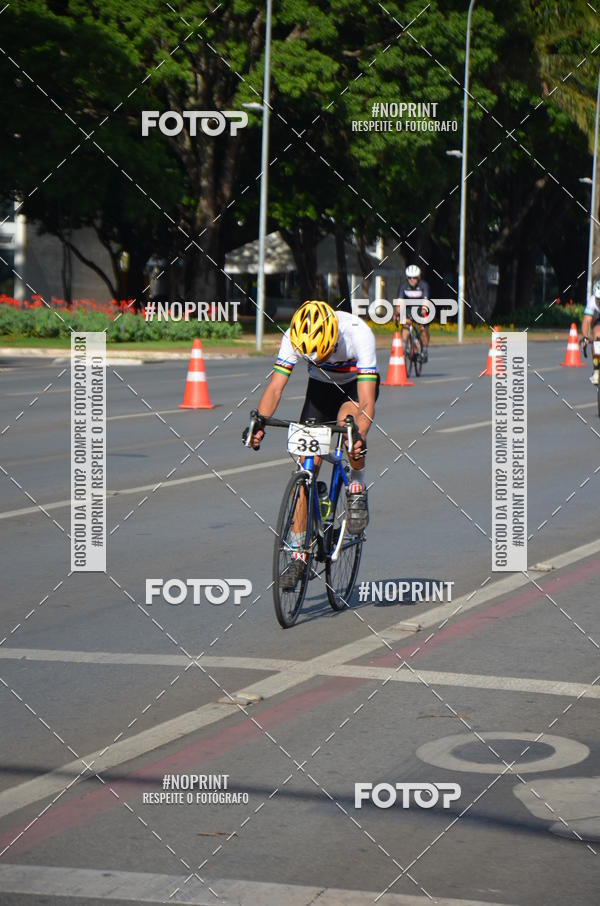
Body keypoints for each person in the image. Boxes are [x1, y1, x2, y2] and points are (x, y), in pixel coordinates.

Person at [244, 300, 379, 589]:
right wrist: (260, 422)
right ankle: (297, 555)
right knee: (307, 463)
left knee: (349, 427)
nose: (319, 358)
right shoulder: (294, 336)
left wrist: (359, 434)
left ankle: (356, 484)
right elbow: (276, 386)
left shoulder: (359, 334)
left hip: (355, 387)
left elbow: (367, 403)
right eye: (312, 357)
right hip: (319, 390)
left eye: (324, 353)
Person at [394, 264, 430, 362]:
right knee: (405, 325)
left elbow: (425, 302)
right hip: (408, 309)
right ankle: (404, 348)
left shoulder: (423, 285)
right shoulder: (403, 286)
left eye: (414, 277)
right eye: (409, 277)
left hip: (420, 308)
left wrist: (423, 313)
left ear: (418, 278)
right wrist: (398, 314)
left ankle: (425, 350)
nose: (412, 280)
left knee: (423, 327)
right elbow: (399, 303)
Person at [581, 280, 600, 385]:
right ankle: (596, 371)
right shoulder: (592, 301)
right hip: (598, 319)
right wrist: (585, 337)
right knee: (597, 335)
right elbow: (586, 321)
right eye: (599, 300)